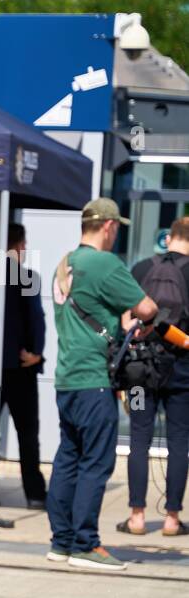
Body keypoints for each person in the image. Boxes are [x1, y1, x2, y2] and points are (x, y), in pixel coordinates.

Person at [46, 198, 158, 571]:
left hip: (67, 378)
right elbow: (147, 309)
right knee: (96, 461)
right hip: (95, 377)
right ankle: (85, 545)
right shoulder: (104, 263)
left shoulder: (65, 264)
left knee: (68, 459)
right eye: (117, 229)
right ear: (108, 226)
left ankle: (61, 542)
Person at [0, 222, 48, 509]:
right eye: (24, 244)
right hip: (19, 366)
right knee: (27, 433)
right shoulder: (26, 278)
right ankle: (35, 494)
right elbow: (36, 320)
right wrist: (37, 353)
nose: (26, 249)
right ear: (18, 245)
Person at [120, 216, 189, 537]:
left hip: (139, 372)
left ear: (170, 237)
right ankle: (172, 519)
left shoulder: (141, 269)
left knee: (138, 439)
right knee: (178, 442)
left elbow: (124, 320)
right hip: (183, 373)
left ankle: (136, 516)